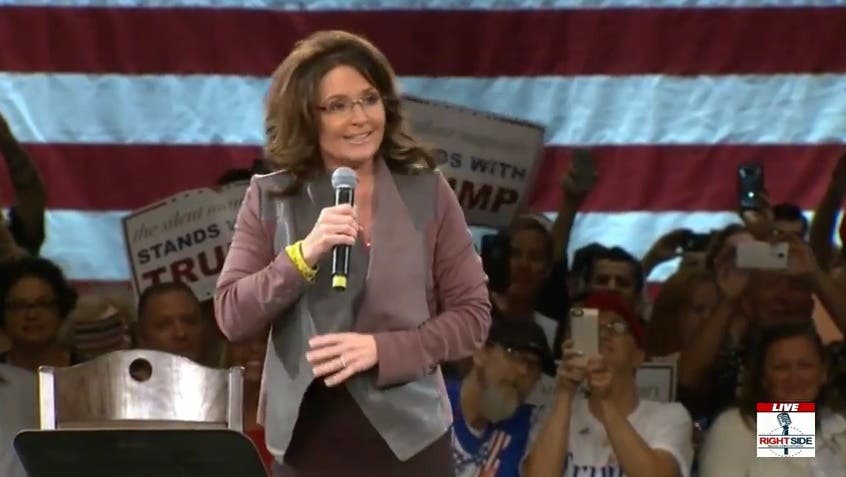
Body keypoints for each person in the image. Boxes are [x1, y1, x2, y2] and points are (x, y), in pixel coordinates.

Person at [214, 30, 491, 477]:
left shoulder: (428, 191)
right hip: (308, 441)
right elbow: (232, 316)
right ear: (307, 116)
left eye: (369, 99)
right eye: (338, 106)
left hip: (411, 441)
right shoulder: (270, 198)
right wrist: (302, 256)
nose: (360, 118)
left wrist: (384, 349)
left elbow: (472, 317)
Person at [699, 322, 846, 476]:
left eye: (804, 366)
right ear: (763, 377)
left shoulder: (839, 428)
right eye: (781, 367)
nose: (794, 378)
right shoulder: (735, 426)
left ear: (823, 373)